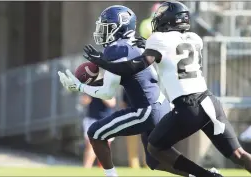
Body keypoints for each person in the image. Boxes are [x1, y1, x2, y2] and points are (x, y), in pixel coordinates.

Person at [82, 1, 251, 177]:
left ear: (168, 19)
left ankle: (203, 175)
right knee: (239, 154)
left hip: (188, 106)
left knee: (155, 147)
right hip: (210, 101)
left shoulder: (158, 39)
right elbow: (172, 50)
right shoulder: (195, 39)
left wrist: (102, 62)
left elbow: (134, 67)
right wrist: (146, 45)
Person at [58, 5, 221, 177]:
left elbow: (107, 93)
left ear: (119, 27)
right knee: (155, 160)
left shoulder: (117, 48)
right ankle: (205, 175)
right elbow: (127, 76)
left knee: (95, 133)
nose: (102, 31)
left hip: (145, 110)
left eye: (107, 27)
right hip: (161, 105)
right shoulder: (137, 43)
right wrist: (95, 80)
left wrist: (80, 87)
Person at [80, 94, 116, 168]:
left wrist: (100, 93)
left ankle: (104, 170)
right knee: (91, 146)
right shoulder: (90, 85)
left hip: (106, 120)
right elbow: (84, 101)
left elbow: (112, 103)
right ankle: (86, 169)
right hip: (92, 120)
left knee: (104, 149)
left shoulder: (108, 87)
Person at [120, 90, 147, 168]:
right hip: (140, 117)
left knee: (139, 144)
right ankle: (142, 165)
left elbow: (123, 104)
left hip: (134, 117)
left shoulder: (127, 85)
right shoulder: (145, 84)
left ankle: (136, 165)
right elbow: (124, 104)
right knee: (144, 143)